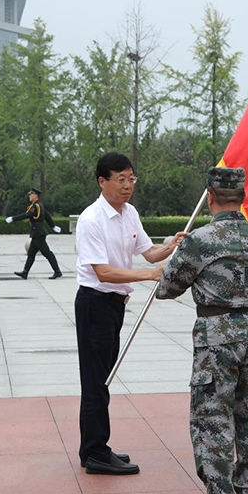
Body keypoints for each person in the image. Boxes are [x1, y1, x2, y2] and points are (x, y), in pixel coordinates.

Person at [156, 167, 248, 494]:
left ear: (209, 196)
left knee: (212, 417)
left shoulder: (200, 240)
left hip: (216, 338)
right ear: (243, 197)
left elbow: (168, 287)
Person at [74, 152, 188, 476]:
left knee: (102, 379)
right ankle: (96, 453)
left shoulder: (130, 214)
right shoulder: (92, 219)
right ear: (102, 181)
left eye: (131, 179)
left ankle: (92, 448)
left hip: (114, 307)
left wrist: (171, 247)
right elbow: (103, 272)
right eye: (120, 180)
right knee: (97, 382)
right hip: (95, 303)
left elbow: (149, 253)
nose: (128, 186)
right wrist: (149, 276)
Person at [6, 187, 63, 280]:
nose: (29, 196)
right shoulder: (39, 205)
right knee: (31, 254)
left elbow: (27, 215)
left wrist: (13, 218)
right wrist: (53, 226)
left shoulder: (35, 206)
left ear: (35, 195)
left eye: (30, 194)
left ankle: (57, 272)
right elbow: (47, 216)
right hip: (37, 232)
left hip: (38, 233)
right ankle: (25, 272)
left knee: (47, 253)